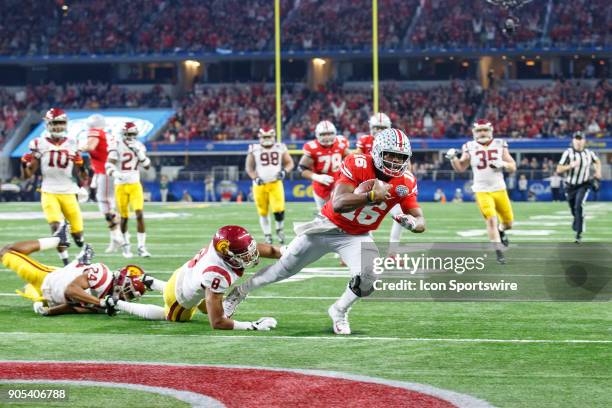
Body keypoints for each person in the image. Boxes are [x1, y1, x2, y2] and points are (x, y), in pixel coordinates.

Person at [223, 129, 425, 335]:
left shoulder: (406, 181)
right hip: (326, 226)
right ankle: (239, 292)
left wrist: (412, 223)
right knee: (283, 269)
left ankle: (339, 311)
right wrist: (372, 196)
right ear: (377, 152)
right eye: (389, 154)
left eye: (400, 157)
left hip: (356, 236)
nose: (394, 161)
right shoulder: (357, 163)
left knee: (370, 276)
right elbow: (338, 203)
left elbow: (420, 220)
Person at [115, 225, 280, 332]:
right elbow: (217, 323)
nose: (251, 256)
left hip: (182, 276)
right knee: (168, 316)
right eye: (244, 254)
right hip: (179, 300)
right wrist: (252, 326)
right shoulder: (217, 274)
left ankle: (150, 281)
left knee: (210, 305)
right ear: (228, 254)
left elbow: (266, 249)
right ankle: (117, 303)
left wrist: (290, 251)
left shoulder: (220, 246)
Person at [0, 223, 145, 316]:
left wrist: (49, 312)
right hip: (47, 278)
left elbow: (74, 306)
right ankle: (58, 241)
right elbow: (71, 290)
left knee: (30, 290)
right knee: (6, 252)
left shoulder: (108, 305)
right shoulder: (103, 275)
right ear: (122, 282)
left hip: (53, 290)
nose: (126, 298)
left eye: (130, 297)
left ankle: (79, 262)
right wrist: (99, 302)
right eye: (128, 292)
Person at [21, 108, 88, 265]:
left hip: (69, 192)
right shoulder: (39, 143)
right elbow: (27, 175)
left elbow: (82, 174)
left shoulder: (73, 143)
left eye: (60, 123)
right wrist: (24, 165)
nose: (58, 126)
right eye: (54, 123)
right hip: (49, 191)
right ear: (48, 124)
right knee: (57, 227)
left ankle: (79, 241)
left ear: (65, 124)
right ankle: (65, 262)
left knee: (78, 235)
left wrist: (82, 169)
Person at [445, 119, 516, 264]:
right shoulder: (469, 146)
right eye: (479, 130)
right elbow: (460, 168)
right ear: (474, 133)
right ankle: (498, 252)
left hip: (499, 188)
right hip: (481, 190)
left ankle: (501, 231)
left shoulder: (500, 144)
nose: (482, 133)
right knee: (491, 219)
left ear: (490, 131)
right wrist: (453, 158)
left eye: (484, 130)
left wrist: (502, 164)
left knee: (508, 223)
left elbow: (513, 166)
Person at [79, 114, 125, 254]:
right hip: (105, 171)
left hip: (105, 172)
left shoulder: (96, 132)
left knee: (105, 202)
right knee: (107, 202)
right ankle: (115, 238)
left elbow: (91, 146)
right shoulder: (106, 134)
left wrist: (78, 149)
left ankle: (118, 234)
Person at [356, 113, 405, 245]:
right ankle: (364, 245)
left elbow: (405, 165)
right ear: (371, 127)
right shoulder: (365, 141)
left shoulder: (396, 141)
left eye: (382, 128)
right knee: (360, 217)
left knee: (401, 216)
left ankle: (393, 252)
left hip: (389, 184)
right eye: (376, 127)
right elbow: (356, 160)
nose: (379, 131)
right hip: (368, 185)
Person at [105, 122, 151, 258]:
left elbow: (147, 166)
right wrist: (116, 174)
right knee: (124, 218)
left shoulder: (139, 146)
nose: (130, 136)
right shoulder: (116, 145)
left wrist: (139, 153)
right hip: (120, 185)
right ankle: (126, 246)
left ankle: (142, 247)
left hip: (135, 183)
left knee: (139, 214)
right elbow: (108, 165)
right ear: (123, 134)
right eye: (128, 134)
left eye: (132, 134)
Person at [246, 127, 294, 244]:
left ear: (273, 137)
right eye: (264, 137)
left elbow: (290, 163)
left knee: (279, 210)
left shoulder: (280, 147)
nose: (267, 139)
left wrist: (284, 171)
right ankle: (267, 235)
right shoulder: (254, 148)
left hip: (275, 183)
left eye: (269, 137)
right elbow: (249, 167)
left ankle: (279, 230)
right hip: (260, 185)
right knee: (263, 211)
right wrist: (255, 177)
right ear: (260, 137)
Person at [555, 131, 601, 243]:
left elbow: (597, 161)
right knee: (573, 209)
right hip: (570, 186)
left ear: (584, 141)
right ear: (573, 140)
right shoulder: (568, 153)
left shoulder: (589, 153)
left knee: (578, 206)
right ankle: (577, 219)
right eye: (576, 139)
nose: (578, 141)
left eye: (580, 139)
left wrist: (598, 172)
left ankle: (578, 234)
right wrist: (570, 165)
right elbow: (558, 169)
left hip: (583, 184)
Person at [298, 121, 350, 210]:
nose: (326, 137)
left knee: (342, 215)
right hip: (321, 186)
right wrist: (317, 177)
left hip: (339, 184)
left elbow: (349, 159)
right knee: (324, 214)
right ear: (317, 135)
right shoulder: (312, 147)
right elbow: (301, 168)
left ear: (335, 133)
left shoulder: (341, 143)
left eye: (329, 134)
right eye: (323, 134)